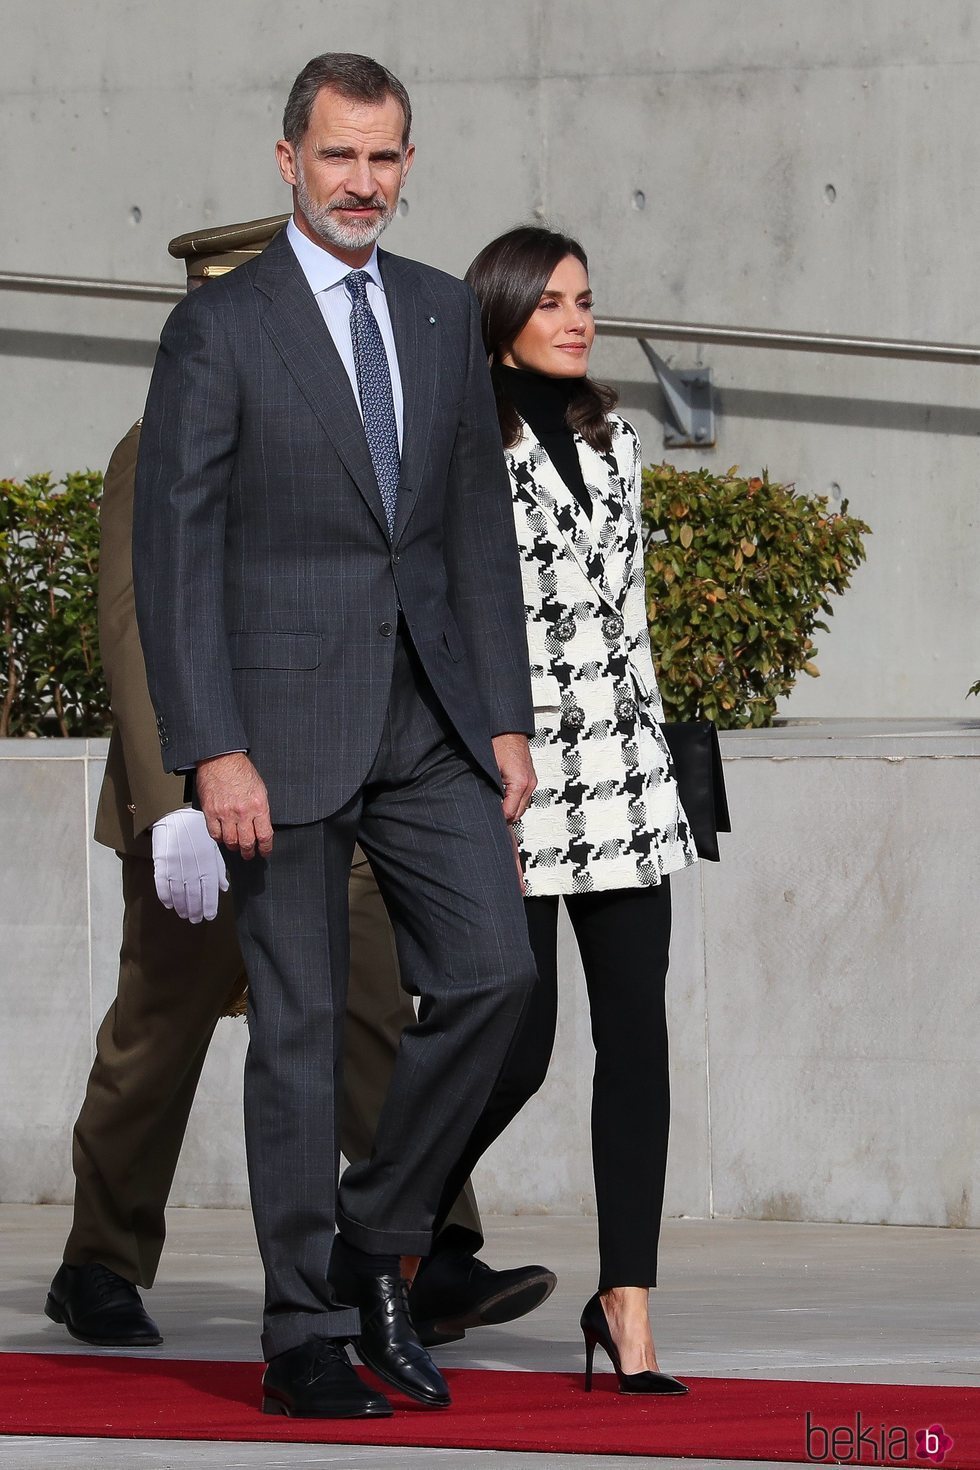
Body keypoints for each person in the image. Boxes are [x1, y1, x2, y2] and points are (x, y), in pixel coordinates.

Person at [44, 216, 553, 1360]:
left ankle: (425, 1249)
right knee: (157, 1037)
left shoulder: (379, 384)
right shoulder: (155, 440)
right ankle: (100, 1259)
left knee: (373, 1013)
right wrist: (173, 793)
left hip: (339, 772)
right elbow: (140, 626)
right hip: (200, 794)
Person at [132, 55, 539, 1420]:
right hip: (280, 733)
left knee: (494, 975)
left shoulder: (435, 314)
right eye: (338, 157)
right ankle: (302, 1328)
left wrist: (502, 715)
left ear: (408, 163)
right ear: (288, 160)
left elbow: (475, 532)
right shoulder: (222, 331)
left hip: (427, 721)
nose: (363, 182)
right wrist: (210, 746)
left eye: (386, 158)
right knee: (300, 1036)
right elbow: (174, 551)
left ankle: (376, 1238)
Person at [437, 225, 699, 1395]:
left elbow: (630, 616)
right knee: (516, 1043)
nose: (575, 318)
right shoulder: (457, 443)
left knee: (634, 1039)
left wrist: (668, 765)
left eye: (584, 299)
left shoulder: (617, 437)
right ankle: (381, 1229)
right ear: (498, 314)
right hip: (516, 774)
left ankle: (626, 1307)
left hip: (625, 775)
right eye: (548, 301)